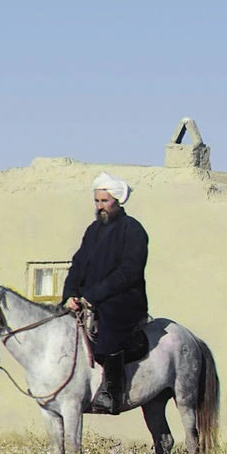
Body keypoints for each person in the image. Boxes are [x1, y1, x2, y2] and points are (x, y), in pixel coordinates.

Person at [62, 171, 149, 414]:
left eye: (105, 201)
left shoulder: (133, 230)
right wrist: (70, 294)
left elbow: (129, 271)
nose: (100, 206)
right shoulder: (92, 230)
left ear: (117, 201)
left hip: (124, 300)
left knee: (110, 320)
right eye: (97, 201)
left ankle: (111, 391)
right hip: (90, 298)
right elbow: (78, 264)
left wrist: (94, 295)